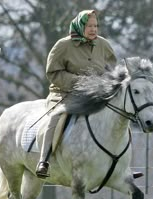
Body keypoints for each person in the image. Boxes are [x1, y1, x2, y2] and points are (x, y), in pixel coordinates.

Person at [35, 10, 117, 178]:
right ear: (80, 26)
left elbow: (112, 69)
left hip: (95, 94)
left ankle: (120, 165)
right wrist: (78, 82)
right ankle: (44, 161)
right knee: (56, 117)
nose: (94, 29)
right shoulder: (62, 45)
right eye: (89, 26)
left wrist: (107, 84)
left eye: (95, 26)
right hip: (64, 94)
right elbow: (53, 72)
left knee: (118, 113)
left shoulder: (104, 45)